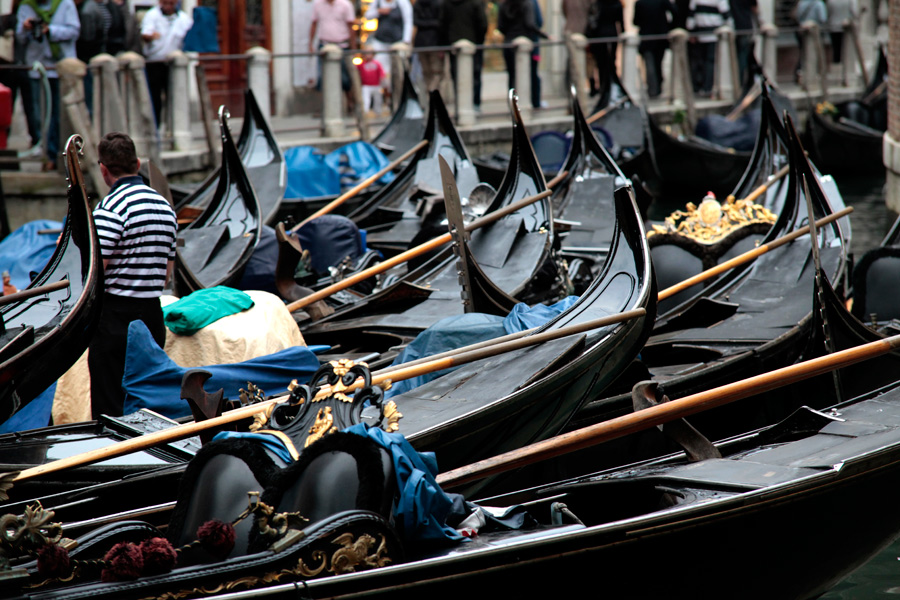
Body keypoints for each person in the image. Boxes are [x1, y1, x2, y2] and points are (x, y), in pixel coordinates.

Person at [89, 132, 177, 418]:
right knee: (148, 400)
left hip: (115, 320)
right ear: (137, 163)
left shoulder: (109, 208)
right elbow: (167, 275)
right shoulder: (165, 208)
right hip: (153, 316)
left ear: (103, 169)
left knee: (110, 407)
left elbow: (94, 272)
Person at [15, 0, 80, 171]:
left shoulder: (65, 4)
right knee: (37, 113)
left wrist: (50, 30)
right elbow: (20, 37)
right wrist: (25, 27)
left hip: (60, 68)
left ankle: (54, 154)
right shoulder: (26, 6)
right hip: (37, 67)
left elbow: (74, 30)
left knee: (57, 115)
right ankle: (42, 151)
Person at [140, 0, 193, 126]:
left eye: (171, 3)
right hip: (154, 61)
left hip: (173, 64)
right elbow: (145, 33)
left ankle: (175, 126)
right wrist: (151, 36)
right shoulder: (152, 15)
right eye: (165, 3)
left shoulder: (183, 18)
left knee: (175, 96)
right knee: (155, 97)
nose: (168, 6)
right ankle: (156, 127)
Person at [76, 0, 128, 113]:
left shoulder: (112, 7)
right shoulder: (87, 8)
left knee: (108, 97)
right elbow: (87, 37)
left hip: (107, 58)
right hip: (90, 59)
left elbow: (119, 32)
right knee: (92, 98)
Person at [497, 0, 547, 109]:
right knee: (529, 75)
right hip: (524, 44)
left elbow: (500, 26)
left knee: (512, 77)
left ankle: (513, 105)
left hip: (509, 44)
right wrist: (545, 35)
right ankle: (530, 104)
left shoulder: (503, 5)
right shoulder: (527, 3)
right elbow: (531, 23)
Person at [308, 0, 356, 107]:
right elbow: (314, 24)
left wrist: (353, 48)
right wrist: (310, 44)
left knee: (345, 77)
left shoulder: (345, 4)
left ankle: (350, 103)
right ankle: (325, 107)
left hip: (342, 45)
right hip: (324, 45)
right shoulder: (318, 4)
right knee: (322, 77)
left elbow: (350, 27)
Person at [441, 0, 487, 112]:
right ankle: (474, 104)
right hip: (473, 44)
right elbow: (483, 24)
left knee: (456, 75)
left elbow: (442, 25)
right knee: (475, 75)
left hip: (454, 45)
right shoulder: (475, 3)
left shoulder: (447, 3)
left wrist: (447, 42)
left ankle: (461, 104)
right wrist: (478, 42)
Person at [685, 0, 730, 97]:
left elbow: (691, 17)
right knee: (709, 61)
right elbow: (727, 16)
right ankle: (707, 88)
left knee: (701, 61)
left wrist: (691, 31)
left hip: (701, 33)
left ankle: (699, 87)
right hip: (713, 34)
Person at [633, 0, 676, 98]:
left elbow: (635, 21)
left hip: (647, 37)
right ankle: (657, 88)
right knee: (657, 64)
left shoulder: (640, 3)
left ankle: (653, 90)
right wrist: (669, 27)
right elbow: (675, 11)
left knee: (650, 65)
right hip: (660, 37)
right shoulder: (661, 1)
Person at [364, 0, 412, 84]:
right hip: (380, 41)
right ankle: (383, 92)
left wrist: (406, 41)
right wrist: (379, 11)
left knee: (398, 71)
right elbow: (367, 15)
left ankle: (397, 91)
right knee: (381, 71)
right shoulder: (378, 1)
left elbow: (408, 22)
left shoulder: (402, 2)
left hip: (397, 42)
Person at [586, 0, 624, 83]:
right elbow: (621, 22)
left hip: (600, 35)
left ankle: (604, 85)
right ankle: (611, 83)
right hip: (612, 34)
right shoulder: (617, 4)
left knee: (601, 63)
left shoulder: (597, 4)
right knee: (612, 60)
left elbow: (593, 22)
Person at [562, 0, 595, 94]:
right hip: (582, 30)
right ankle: (580, 89)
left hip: (570, 29)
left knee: (572, 61)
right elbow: (593, 11)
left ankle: (570, 88)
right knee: (585, 61)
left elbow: (564, 11)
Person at [412, 0, 443, 94]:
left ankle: (431, 92)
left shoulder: (418, 4)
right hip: (432, 43)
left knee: (429, 72)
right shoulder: (437, 4)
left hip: (425, 42)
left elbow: (416, 21)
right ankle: (432, 92)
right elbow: (440, 22)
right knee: (432, 71)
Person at [793, 0, 827, 82]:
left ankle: (800, 73)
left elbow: (797, 17)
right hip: (814, 33)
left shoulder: (801, 3)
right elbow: (823, 18)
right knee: (814, 53)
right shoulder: (819, 4)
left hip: (801, 32)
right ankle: (811, 76)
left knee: (803, 53)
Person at [729, 0, 758, 89]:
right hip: (746, 27)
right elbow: (755, 9)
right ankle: (742, 83)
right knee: (744, 56)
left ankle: (739, 82)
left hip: (735, 28)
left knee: (740, 56)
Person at [357, 50, 386, 115]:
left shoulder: (377, 63)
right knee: (366, 99)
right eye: (366, 54)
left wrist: (383, 80)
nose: (368, 55)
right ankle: (365, 111)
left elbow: (381, 73)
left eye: (369, 54)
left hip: (376, 85)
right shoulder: (362, 64)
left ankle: (378, 111)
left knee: (378, 99)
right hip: (366, 85)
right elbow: (356, 69)